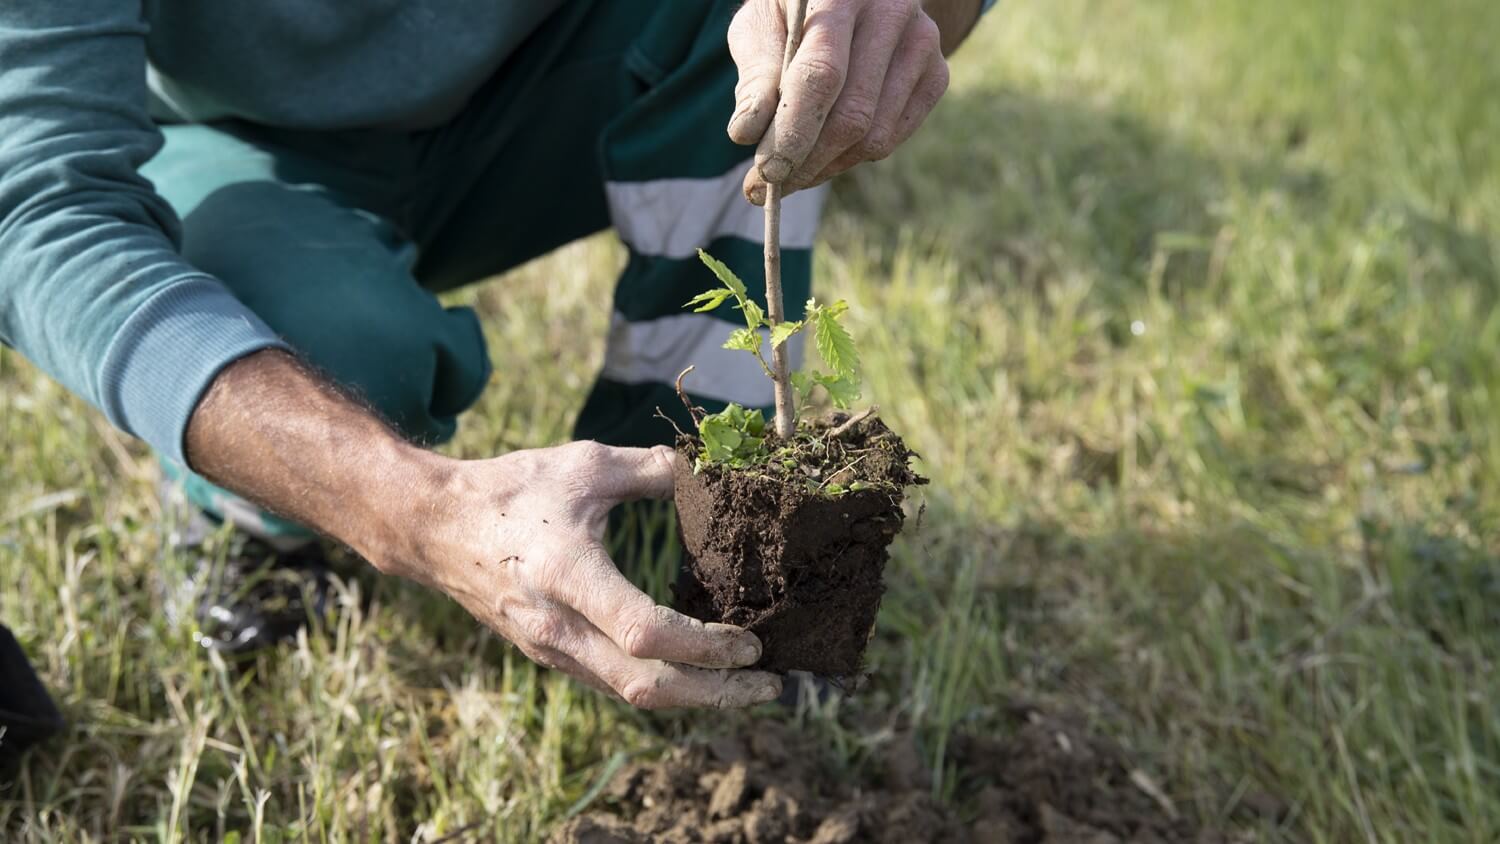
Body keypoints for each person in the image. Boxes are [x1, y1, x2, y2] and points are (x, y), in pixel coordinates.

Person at [0, 0, 989, 720]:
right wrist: (414, 508)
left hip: (540, 88)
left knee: (768, 29)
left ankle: (690, 512)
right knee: (345, 367)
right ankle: (261, 524)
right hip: (240, 148)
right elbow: (37, 215)